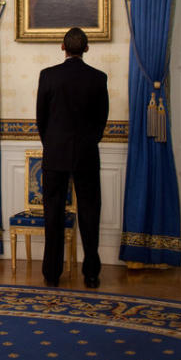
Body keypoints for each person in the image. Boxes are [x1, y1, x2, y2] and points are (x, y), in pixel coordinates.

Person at [35, 27, 108, 288]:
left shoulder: (47, 76)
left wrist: (52, 144)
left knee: (52, 214)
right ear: (86, 49)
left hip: (54, 153)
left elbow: (40, 119)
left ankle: (52, 274)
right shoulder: (99, 78)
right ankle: (91, 273)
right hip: (87, 153)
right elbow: (102, 121)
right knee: (90, 213)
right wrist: (88, 142)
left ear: (62, 47)